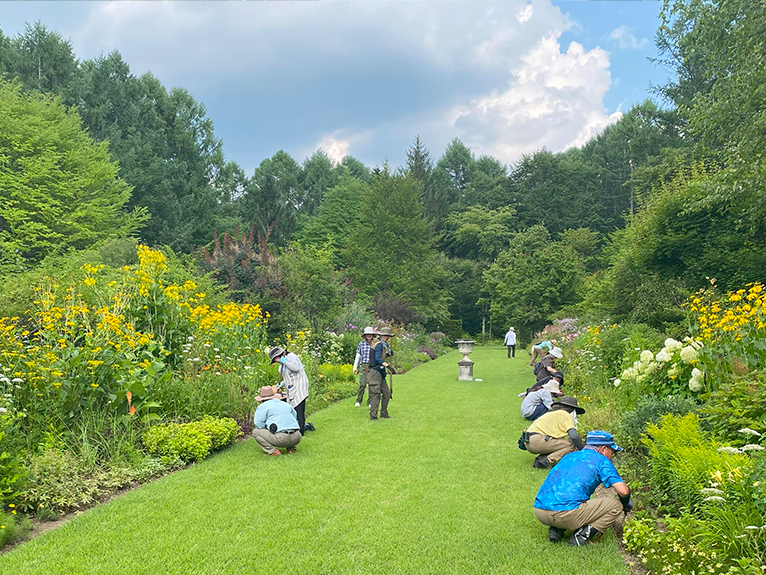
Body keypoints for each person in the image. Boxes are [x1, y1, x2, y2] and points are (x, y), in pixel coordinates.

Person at [533, 430, 632, 546]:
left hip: (539, 510)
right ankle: (581, 536)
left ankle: (556, 529)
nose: (612, 456)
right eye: (612, 452)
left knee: (573, 496)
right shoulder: (602, 460)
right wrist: (625, 503)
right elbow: (623, 491)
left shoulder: (570, 456)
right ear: (603, 449)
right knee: (616, 505)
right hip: (565, 514)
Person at [523, 396, 585, 468]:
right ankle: (547, 460)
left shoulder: (553, 413)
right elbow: (574, 437)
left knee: (559, 443)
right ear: (572, 410)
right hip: (537, 441)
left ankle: (539, 460)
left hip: (528, 442)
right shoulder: (566, 415)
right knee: (570, 445)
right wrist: (582, 451)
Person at [269, 346, 309, 434]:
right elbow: (288, 376)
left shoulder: (291, 357)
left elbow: (296, 369)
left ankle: (300, 431)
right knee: (293, 408)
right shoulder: (282, 364)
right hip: (292, 387)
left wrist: (285, 362)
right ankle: (297, 428)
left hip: (299, 385)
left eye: (275, 359)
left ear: (278, 356)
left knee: (299, 408)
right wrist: (281, 384)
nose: (275, 361)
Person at [252, 386, 301, 456]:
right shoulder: (285, 404)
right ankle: (291, 448)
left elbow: (258, 424)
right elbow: (295, 417)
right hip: (297, 436)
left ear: (262, 399)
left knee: (256, 432)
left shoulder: (262, 407)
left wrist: (267, 426)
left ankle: (273, 451)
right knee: (287, 425)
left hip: (281, 438)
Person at [367, 326, 393, 420]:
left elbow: (379, 355)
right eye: (385, 336)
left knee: (386, 393)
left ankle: (384, 413)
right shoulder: (378, 344)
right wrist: (387, 365)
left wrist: (387, 354)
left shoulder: (382, 344)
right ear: (381, 335)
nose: (386, 337)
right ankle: (373, 416)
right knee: (376, 393)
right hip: (374, 372)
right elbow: (377, 358)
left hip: (380, 371)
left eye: (388, 336)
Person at [353, 327, 377, 407]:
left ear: (372, 335)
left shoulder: (375, 343)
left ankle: (370, 402)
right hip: (363, 365)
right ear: (365, 335)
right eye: (367, 334)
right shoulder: (361, 344)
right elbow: (358, 356)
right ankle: (358, 400)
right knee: (362, 384)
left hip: (372, 365)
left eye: (370, 334)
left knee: (371, 384)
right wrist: (355, 368)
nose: (369, 336)